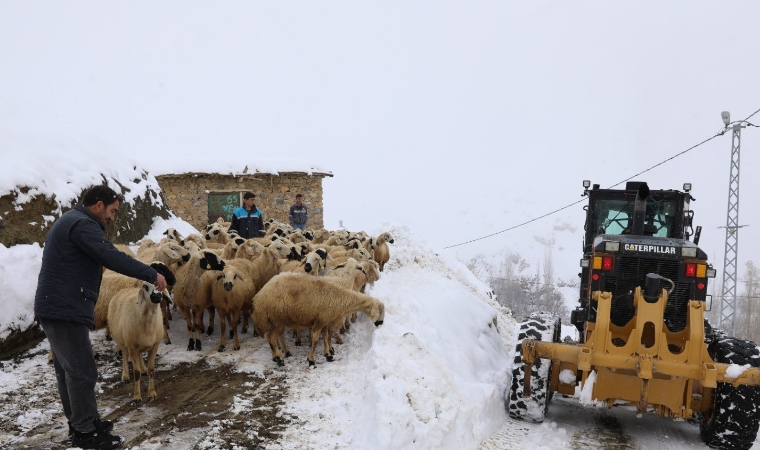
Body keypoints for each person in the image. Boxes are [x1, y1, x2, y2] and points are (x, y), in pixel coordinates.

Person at [34, 185, 168, 450]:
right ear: (98, 205)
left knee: (69, 371)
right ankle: (85, 432)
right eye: (112, 211)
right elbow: (110, 256)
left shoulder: (72, 221)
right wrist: (151, 274)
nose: (112, 217)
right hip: (64, 308)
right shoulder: (82, 225)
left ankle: (84, 423)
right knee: (82, 371)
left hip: (58, 305)